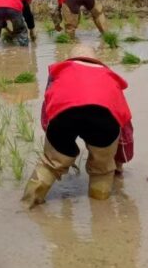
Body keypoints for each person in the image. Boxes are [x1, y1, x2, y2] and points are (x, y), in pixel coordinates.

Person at [23, 48, 134, 208]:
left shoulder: (59, 73)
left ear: (69, 59)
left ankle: (27, 205)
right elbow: (124, 126)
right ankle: (101, 213)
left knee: (49, 165)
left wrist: (54, 147)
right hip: (103, 119)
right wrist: (119, 162)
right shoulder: (109, 78)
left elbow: (48, 112)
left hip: (64, 116)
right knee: (102, 170)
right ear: (97, 61)